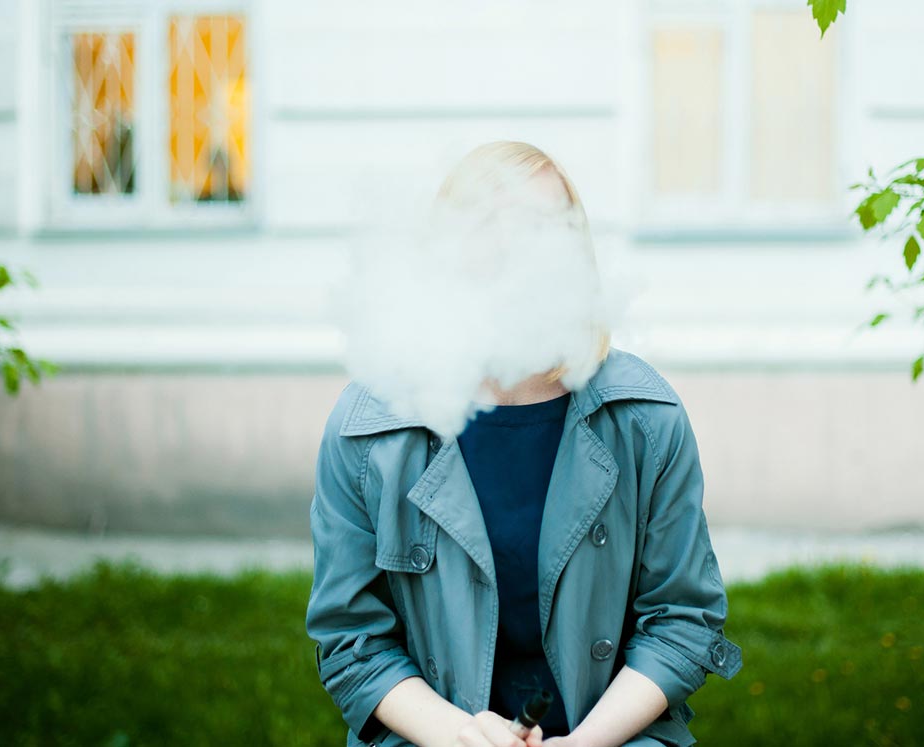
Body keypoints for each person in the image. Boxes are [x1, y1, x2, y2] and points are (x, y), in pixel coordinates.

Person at [306, 142, 742, 747]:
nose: (520, 249)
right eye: (491, 224)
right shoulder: (369, 431)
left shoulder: (644, 419)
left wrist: (583, 743)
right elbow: (353, 641)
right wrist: (460, 736)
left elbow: (682, 622)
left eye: (542, 226)